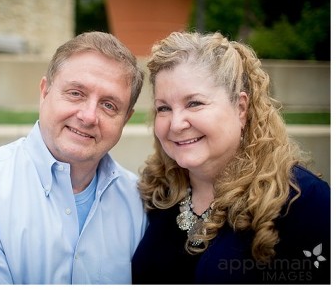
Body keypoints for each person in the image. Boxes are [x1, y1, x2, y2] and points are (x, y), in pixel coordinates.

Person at [0, 31, 148, 284]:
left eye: (109, 105)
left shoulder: (137, 201)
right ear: (44, 92)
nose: (88, 116)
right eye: (76, 93)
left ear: (126, 119)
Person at [131, 31, 330, 284]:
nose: (176, 124)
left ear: (241, 108)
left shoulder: (304, 202)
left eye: (194, 103)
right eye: (164, 108)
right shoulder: (157, 192)